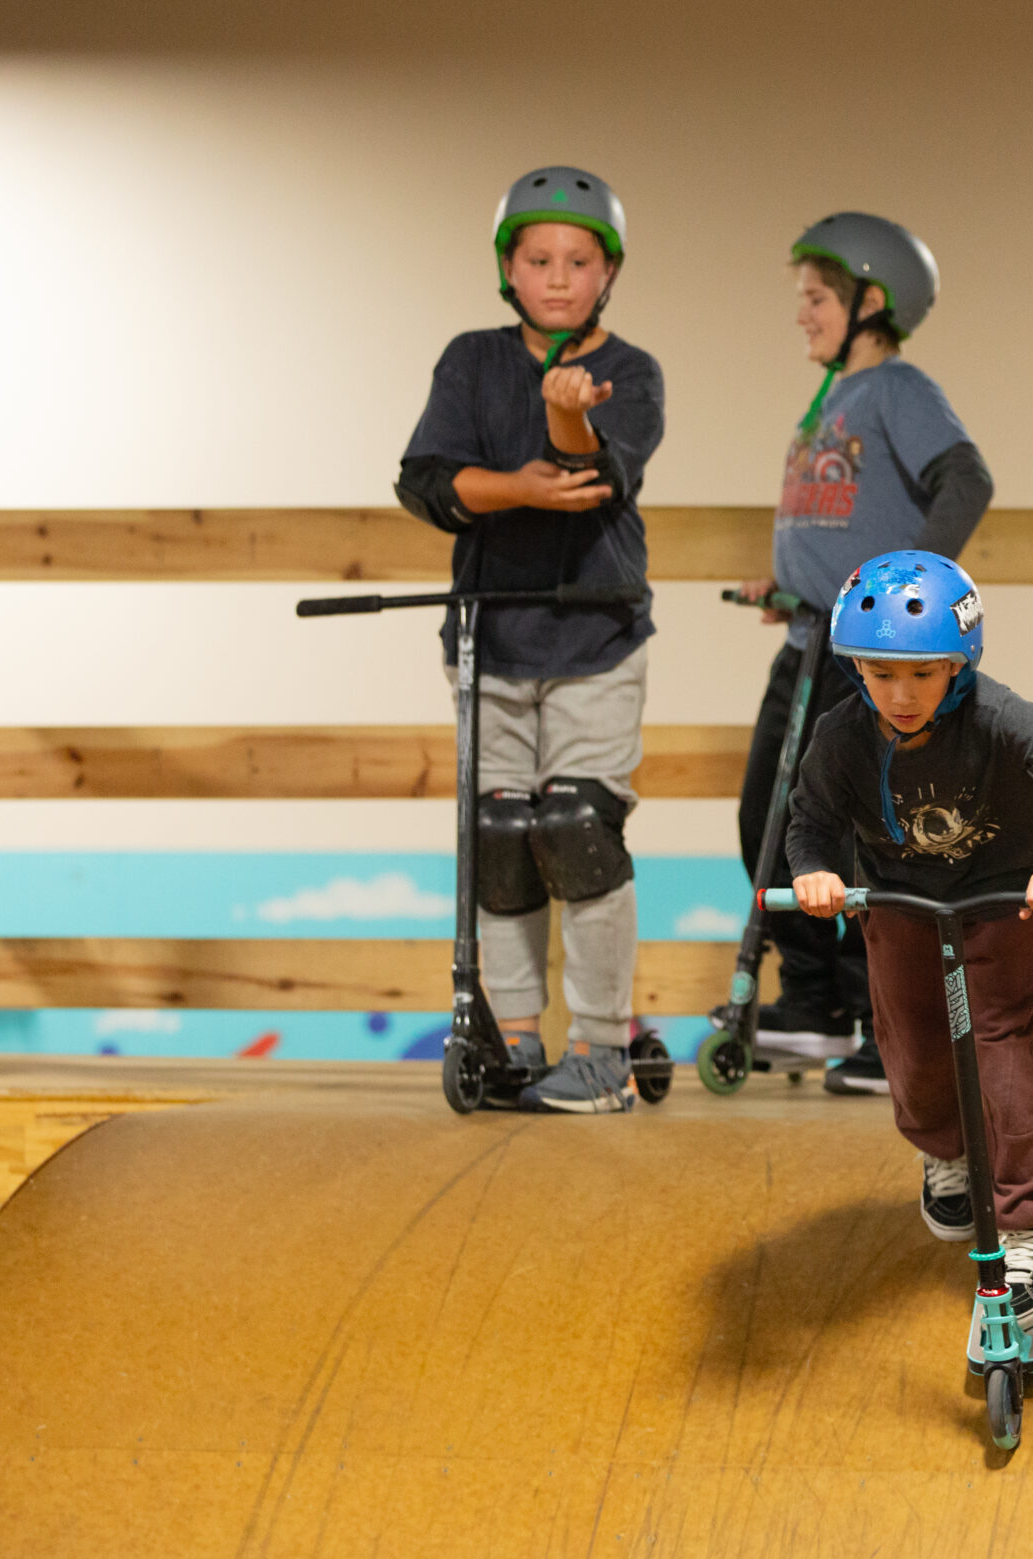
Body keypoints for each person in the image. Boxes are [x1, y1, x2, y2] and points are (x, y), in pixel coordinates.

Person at [787, 552, 1033, 1327]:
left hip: (1003, 905)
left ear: (959, 664)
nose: (900, 696)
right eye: (880, 674)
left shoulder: (1001, 716)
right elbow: (810, 822)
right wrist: (814, 873)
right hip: (900, 905)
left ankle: (1025, 1222)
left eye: (923, 675)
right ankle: (945, 1151)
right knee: (908, 1043)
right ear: (857, 670)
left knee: (1003, 1054)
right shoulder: (842, 736)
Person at [395, 165, 666, 1114]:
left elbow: (595, 479)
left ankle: (601, 1045)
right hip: (488, 633)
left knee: (576, 829)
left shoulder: (629, 373)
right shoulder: (470, 360)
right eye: (538, 258)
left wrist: (564, 415)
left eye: (578, 261)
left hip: (594, 633)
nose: (557, 277)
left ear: (608, 272)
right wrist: (515, 483)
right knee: (501, 835)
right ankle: (511, 1037)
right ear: (507, 267)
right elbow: (428, 482)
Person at [735, 213, 995, 1097]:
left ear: (870, 302)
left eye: (817, 298)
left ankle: (888, 1028)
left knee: (866, 839)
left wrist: (910, 599)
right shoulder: (828, 402)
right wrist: (789, 584)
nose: (802, 314)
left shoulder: (897, 388)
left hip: (862, 661)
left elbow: (968, 480)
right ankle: (816, 1001)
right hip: (809, 638)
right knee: (770, 823)